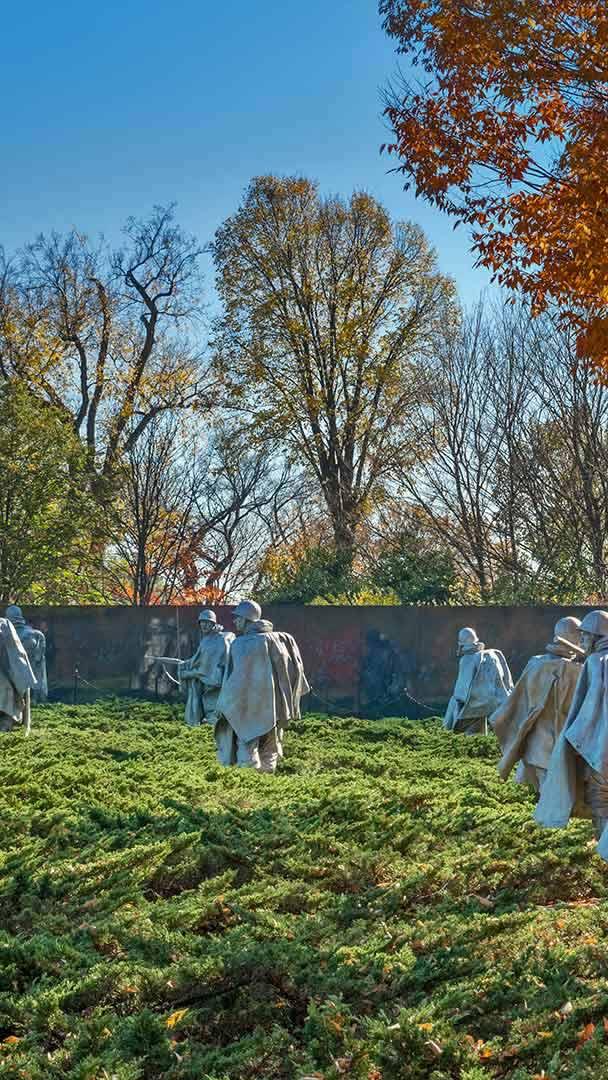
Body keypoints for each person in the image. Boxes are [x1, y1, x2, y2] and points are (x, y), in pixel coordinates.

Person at [535, 609, 608, 857]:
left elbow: (586, 712)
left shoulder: (595, 663)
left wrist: (575, 743)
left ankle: (603, 850)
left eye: (586, 636)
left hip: (599, 749)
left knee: (600, 799)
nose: (583, 641)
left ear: (597, 636)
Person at [214, 599, 309, 772]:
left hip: (248, 708)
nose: (234, 621)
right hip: (274, 708)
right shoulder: (281, 639)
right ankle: (266, 779)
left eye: (237, 617)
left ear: (246, 619)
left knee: (246, 743)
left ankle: (248, 779)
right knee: (270, 746)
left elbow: (234, 680)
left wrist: (224, 703)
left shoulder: (241, 644)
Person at [490, 616, 583, 793]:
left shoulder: (536, 663)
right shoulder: (574, 670)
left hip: (533, 745)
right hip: (556, 750)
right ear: (576, 638)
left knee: (538, 795)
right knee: (555, 800)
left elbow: (516, 701)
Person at [443, 627, 513, 735]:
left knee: (468, 736)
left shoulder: (466, 659)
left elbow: (461, 693)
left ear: (461, 644)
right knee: (479, 736)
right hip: (483, 705)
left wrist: (454, 709)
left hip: (469, 709)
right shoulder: (489, 656)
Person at [179, 609, 234, 727]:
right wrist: (186, 664)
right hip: (205, 680)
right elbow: (200, 659)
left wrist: (192, 673)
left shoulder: (221, 639)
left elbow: (223, 661)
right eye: (202, 622)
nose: (204, 625)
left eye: (207, 622)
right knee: (205, 705)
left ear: (213, 623)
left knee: (213, 708)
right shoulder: (206, 639)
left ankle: (215, 726)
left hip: (216, 682)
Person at [0, 616, 38, 732]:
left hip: (8, 674)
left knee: (8, 692)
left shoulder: (4, 624)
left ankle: (6, 723)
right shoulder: (4, 624)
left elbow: (16, 653)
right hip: (6, 675)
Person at [5, 605, 48, 702]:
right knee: (36, 671)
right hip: (31, 660)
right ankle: (35, 698)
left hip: (18, 664)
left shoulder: (7, 634)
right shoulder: (36, 634)